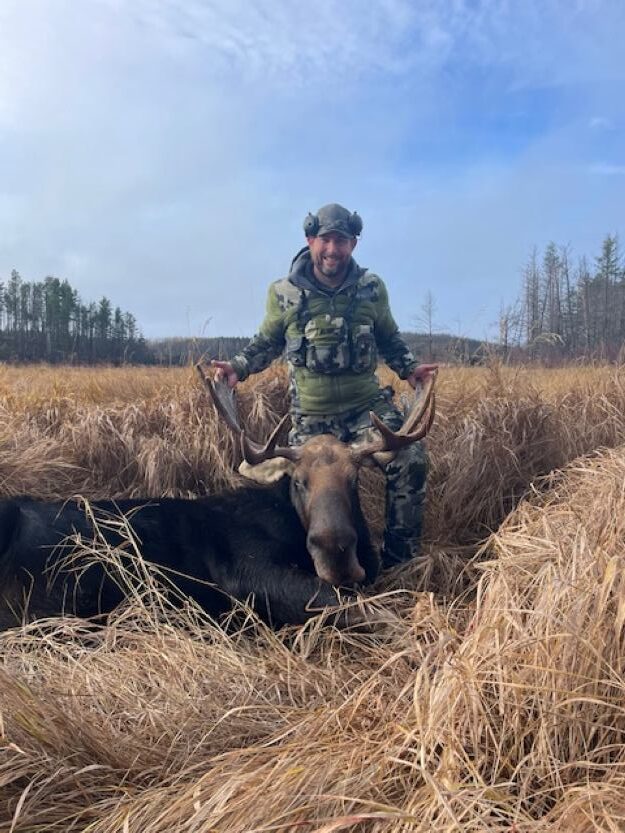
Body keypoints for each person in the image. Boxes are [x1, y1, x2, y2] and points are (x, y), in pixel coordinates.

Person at [212, 203, 437, 567]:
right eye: (326, 240)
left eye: (342, 241)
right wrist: (238, 368)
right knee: (284, 482)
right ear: (310, 239)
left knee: (410, 458)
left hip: (366, 412)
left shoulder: (371, 289)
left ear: (353, 244)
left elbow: (390, 338)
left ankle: (400, 561)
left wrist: (410, 370)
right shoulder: (283, 293)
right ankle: (303, 560)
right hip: (311, 419)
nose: (333, 250)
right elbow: (267, 341)